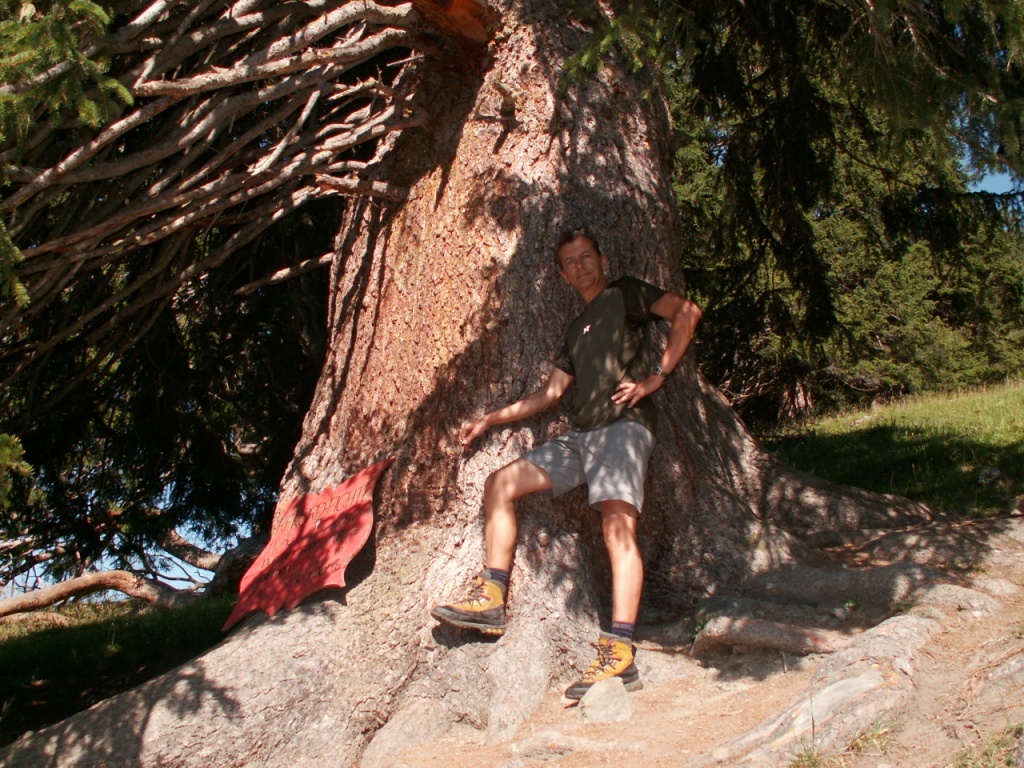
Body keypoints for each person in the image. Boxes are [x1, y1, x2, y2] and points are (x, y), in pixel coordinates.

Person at [431, 227, 702, 699]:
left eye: (586, 256)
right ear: (562, 274)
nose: (581, 266)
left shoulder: (626, 293)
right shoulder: (575, 330)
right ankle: (492, 595)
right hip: (581, 436)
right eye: (571, 261)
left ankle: (619, 650)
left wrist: (656, 376)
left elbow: (687, 312)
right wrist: (490, 419)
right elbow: (550, 394)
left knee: (617, 527)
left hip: (623, 427)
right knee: (499, 484)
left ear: (602, 258)